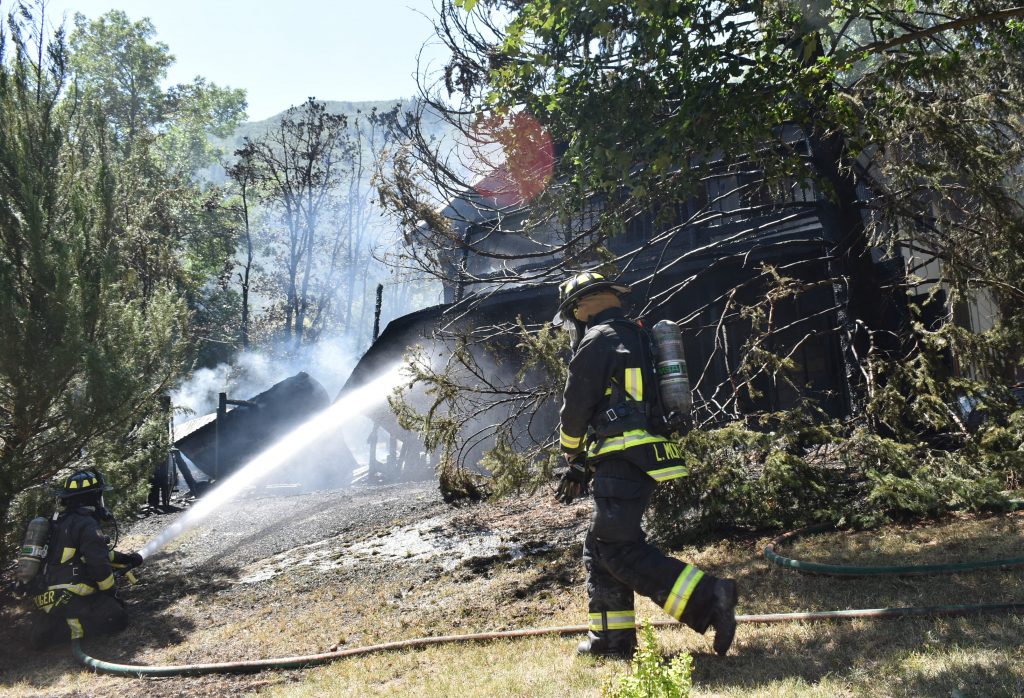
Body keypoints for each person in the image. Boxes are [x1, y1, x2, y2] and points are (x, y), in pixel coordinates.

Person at [553, 272, 739, 659]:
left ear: (583, 304)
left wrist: (570, 453)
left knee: (616, 550)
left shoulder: (598, 339)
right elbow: (619, 410)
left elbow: (577, 407)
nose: (574, 319)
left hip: (624, 457)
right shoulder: (636, 335)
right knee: (600, 548)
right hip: (641, 455)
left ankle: (711, 597)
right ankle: (612, 640)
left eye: (573, 311)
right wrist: (586, 467)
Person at [28, 470, 143, 649]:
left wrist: (127, 559)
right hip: (71, 596)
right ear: (94, 497)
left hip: (48, 599)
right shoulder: (86, 524)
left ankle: (48, 629)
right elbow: (98, 564)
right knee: (117, 617)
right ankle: (65, 631)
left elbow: (90, 554)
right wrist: (110, 593)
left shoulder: (58, 522)